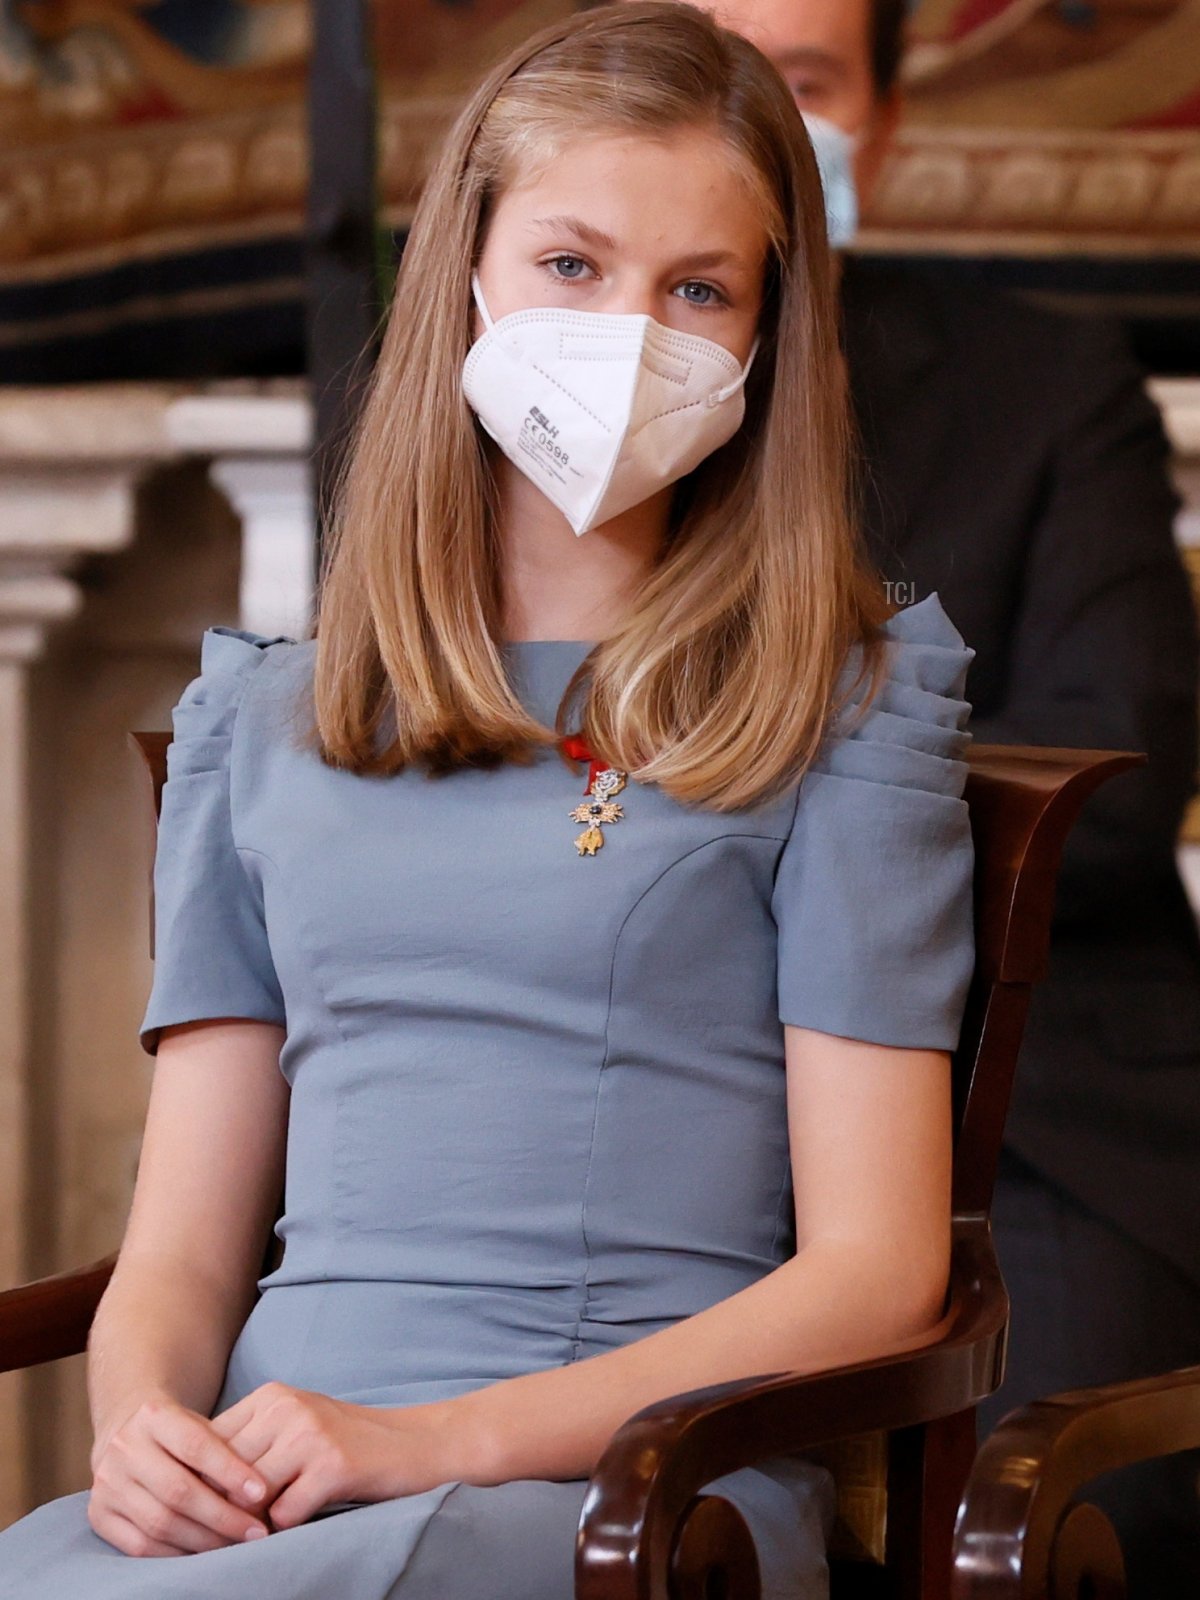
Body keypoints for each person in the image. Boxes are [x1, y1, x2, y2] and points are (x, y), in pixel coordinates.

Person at [0, 5, 979, 1597]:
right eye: (572, 265)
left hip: (630, 1493)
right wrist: (143, 1432)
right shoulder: (264, 720)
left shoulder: (843, 711)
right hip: (273, 1478)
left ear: (766, 337)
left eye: (699, 290)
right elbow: (178, 1245)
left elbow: (879, 1273)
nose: (626, 333)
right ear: (465, 268)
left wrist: (431, 1440)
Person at [669, 2, 1200, 1593]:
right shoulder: (554, 408)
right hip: (660, 1099)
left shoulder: (1046, 383)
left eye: (806, 81)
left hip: (1029, 1115)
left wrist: (751, 820)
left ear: (886, 125)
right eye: (710, 61)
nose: (759, 116)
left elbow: (1118, 781)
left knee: (1037, 1523)